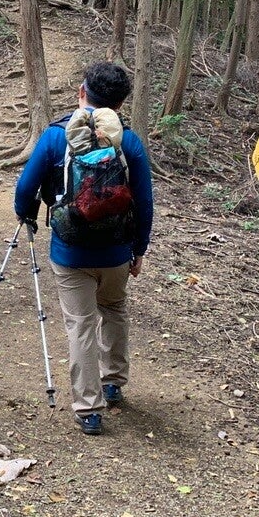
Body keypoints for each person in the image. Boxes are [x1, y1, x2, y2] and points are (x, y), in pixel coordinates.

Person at [13, 61, 154, 435]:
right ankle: (113, 382)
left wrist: (25, 214)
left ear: (81, 92)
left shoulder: (56, 137)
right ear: (120, 104)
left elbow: (25, 188)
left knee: (80, 324)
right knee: (114, 309)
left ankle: (89, 409)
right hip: (117, 251)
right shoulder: (129, 141)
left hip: (70, 251)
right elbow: (144, 202)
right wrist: (139, 249)